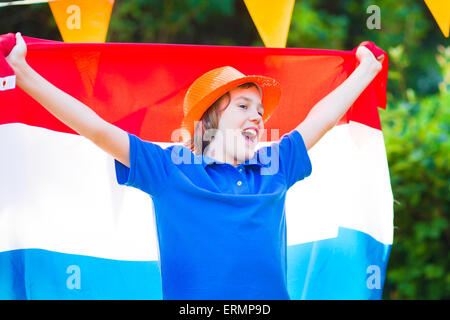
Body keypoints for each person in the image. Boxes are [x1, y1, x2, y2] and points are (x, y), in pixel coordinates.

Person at [6, 32, 384, 299]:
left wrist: (365, 71)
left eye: (260, 110)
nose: (256, 117)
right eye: (242, 106)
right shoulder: (169, 168)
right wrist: (24, 75)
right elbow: (94, 126)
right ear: (207, 122)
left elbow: (322, 117)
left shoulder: (276, 165)